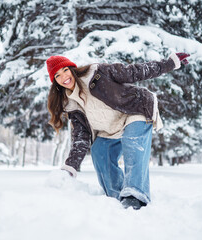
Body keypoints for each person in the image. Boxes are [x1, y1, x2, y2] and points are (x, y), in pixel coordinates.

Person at [46, 52, 190, 210]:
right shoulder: (70, 104)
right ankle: (116, 196)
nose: (63, 77)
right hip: (109, 128)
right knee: (99, 151)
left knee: (132, 141)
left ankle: (135, 194)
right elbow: (81, 136)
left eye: (65, 70)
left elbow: (135, 71)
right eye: (57, 75)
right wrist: (71, 166)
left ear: (72, 68)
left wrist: (169, 63)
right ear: (55, 82)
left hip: (134, 112)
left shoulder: (97, 73)